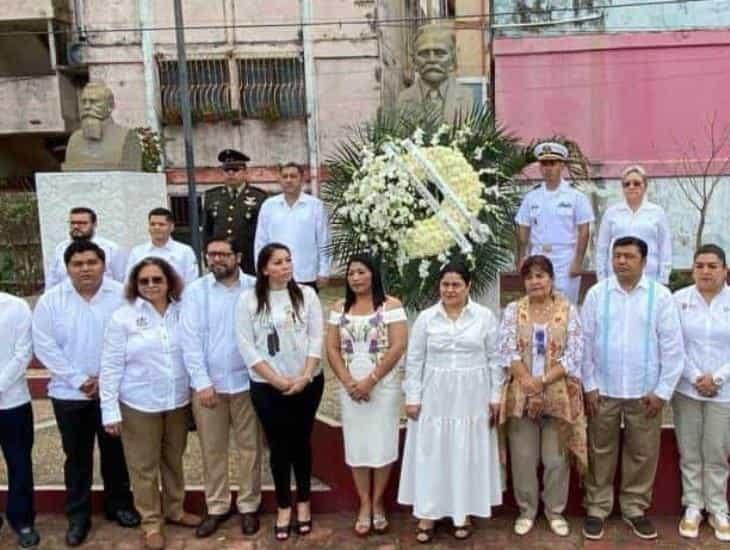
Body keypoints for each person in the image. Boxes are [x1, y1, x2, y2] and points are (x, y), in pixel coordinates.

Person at [32, 240, 139, 547]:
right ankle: (78, 516)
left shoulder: (122, 295)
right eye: (78, 264)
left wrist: (106, 379)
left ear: (103, 264)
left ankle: (118, 505)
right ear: (67, 268)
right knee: (76, 458)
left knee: (115, 454)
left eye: (91, 262)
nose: (85, 269)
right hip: (69, 394)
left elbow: (133, 336)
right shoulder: (51, 301)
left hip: (114, 391)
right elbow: (45, 345)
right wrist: (80, 380)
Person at [581, 236, 684, 541]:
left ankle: (635, 508)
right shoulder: (598, 294)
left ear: (644, 261)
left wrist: (662, 392)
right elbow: (584, 345)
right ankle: (597, 508)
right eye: (617, 256)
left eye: (628, 256)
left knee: (642, 452)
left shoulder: (660, 297)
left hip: (646, 393)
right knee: (600, 451)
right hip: (604, 390)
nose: (622, 261)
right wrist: (589, 385)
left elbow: (673, 348)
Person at [100, 257, 201, 550]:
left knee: (174, 459)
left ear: (169, 281)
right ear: (135, 284)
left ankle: (175, 509)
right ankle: (151, 522)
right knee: (143, 467)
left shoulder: (183, 312)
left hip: (177, 400)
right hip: (139, 403)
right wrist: (110, 409)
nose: (151, 285)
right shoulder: (123, 317)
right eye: (144, 281)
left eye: (157, 279)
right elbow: (110, 366)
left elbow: (193, 351)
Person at [398, 263, 503, 543]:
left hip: (473, 396)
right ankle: (427, 513)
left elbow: (495, 360)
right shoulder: (426, 318)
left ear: (468, 286)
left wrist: (495, 396)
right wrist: (413, 397)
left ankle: (463, 513)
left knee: (465, 451)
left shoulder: (484, 317)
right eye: (445, 284)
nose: (450, 290)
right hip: (435, 395)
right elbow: (415, 360)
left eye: (456, 284)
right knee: (433, 451)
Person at [235, 243, 324, 541]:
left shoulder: (307, 295)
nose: (285, 266)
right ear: (264, 268)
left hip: (306, 382)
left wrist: (305, 376)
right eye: (278, 262)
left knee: (301, 443)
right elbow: (246, 345)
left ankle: (304, 503)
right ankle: (284, 505)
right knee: (279, 446)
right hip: (267, 386)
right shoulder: (248, 300)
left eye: (288, 260)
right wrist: (276, 380)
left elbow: (316, 337)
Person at [180, 236, 263, 538]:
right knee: (212, 449)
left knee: (249, 448)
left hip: (248, 383)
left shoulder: (256, 287)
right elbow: (188, 340)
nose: (216, 260)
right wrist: (202, 382)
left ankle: (249, 505)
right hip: (209, 386)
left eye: (223, 255)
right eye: (211, 255)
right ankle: (216, 506)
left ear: (238, 257)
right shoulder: (196, 292)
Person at [498, 255, 586, 537]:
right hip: (521, 395)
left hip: (558, 396)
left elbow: (575, 354)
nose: (535, 281)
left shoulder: (568, 310)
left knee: (555, 459)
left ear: (551, 279)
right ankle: (526, 510)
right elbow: (506, 349)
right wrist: (526, 381)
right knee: (523, 457)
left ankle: (555, 511)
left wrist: (543, 381)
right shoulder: (513, 310)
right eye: (530, 276)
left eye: (541, 275)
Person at [326, 254, 407, 536]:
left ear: (373, 274)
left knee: (382, 443)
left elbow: (398, 346)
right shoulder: (339, 307)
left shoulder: (391, 305)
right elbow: (333, 349)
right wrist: (349, 382)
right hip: (351, 387)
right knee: (358, 445)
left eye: (361, 272)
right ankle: (363, 504)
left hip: (382, 386)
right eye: (351, 273)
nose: (356, 278)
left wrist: (371, 380)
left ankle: (378, 503)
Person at [672, 244, 730, 542]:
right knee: (691, 451)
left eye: (712, 266)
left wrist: (717, 378)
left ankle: (718, 508)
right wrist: (695, 376)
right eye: (700, 266)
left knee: (717, 453)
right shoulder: (678, 301)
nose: (705, 271)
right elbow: (673, 346)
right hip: (687, 389)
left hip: (724, 393)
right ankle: (693, 506)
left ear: (725, 270)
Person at [515, 142, 594, 303]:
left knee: (565, 306)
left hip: (565, 257)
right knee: (538, 302)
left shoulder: (576, 197)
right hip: (538, 256)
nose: (548, 168)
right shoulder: (532, 197)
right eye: (544, 164)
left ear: (562, 165)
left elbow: (584, 231)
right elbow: (523, 229)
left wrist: (577, 262)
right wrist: (522, 256)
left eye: (553, 163)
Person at [0, 292, 40, 548]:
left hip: (12, 401)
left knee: (19, 464)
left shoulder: (15, 307)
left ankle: (22, 520)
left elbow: (23, 352)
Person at [254, 162, 331, 291]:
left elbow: (324, 241)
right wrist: (261, 269)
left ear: (302, 178)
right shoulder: (268, 206)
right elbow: (261, 241)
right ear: (280, 180)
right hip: (275, 275)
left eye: (293, 176)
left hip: (306, 275)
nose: (288, 180)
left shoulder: (315, 206)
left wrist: (324, 271)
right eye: (285, 176)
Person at [596, 165, 672, 284]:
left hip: (649, 277)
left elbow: (665, 247)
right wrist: (602, 280)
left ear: (645, 186)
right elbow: (602, 249)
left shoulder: (657, 212)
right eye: (627, 184)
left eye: (636, 183)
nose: (631, 187)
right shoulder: (611, 213)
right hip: (616, 278)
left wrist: (663, 279)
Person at [202, 149, 268, 276]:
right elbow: (207, 231)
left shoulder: (259, 197)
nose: (231, 173)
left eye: (235, 170)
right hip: (220, 259)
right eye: (227, 170)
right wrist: (207, 257)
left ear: (245, 172)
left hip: (249, 259)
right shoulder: (212, 196)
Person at [45, 206, 126, 289]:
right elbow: (52, 280)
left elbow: (121, 280)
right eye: (72, 223)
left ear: (94, 224)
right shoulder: (61, 248)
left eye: (82, 223)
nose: (76, 226)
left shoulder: (111, 249)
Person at [125, 207, 199, 285]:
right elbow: (129, 282)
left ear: (171, 227)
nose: (156, 228)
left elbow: (192, 283)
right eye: (152, 224)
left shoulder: (185, 251)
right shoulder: (137, 252)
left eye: (161, 224)